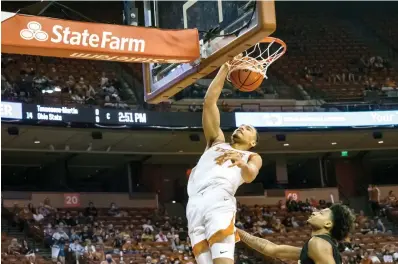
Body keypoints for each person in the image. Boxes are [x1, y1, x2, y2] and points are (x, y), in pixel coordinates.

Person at [186, 61, 262, 264]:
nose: (241, 128)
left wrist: (242, 164)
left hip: (219, 200)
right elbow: (209, 102)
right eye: (241, 126)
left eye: (247, 129)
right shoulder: (215, 141)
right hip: (193, 204)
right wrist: (226, 67)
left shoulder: (251, 157)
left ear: (252, 142)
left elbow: (250, 175)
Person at [237, 204, 355, 264]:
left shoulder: (318, 243)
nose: (314, 212)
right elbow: (271, 249)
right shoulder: (314, 248)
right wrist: (236, 231)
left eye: (321, 213)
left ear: (328, 224)